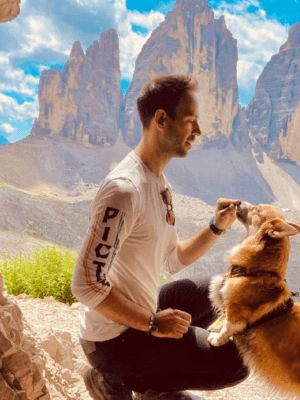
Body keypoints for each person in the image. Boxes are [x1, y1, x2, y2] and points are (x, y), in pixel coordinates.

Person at [71, 75, 249, 400]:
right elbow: (85, 284)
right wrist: (154, 324)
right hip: (112, 340)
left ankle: (153, 387)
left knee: (222, 291)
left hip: (139, 313)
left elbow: (172, 259)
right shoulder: (124, 190)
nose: (197, 133)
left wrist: (216, 226)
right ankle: (113, 378)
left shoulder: (158, 182)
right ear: (162, 120)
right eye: (190, 122)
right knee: (239, 361)